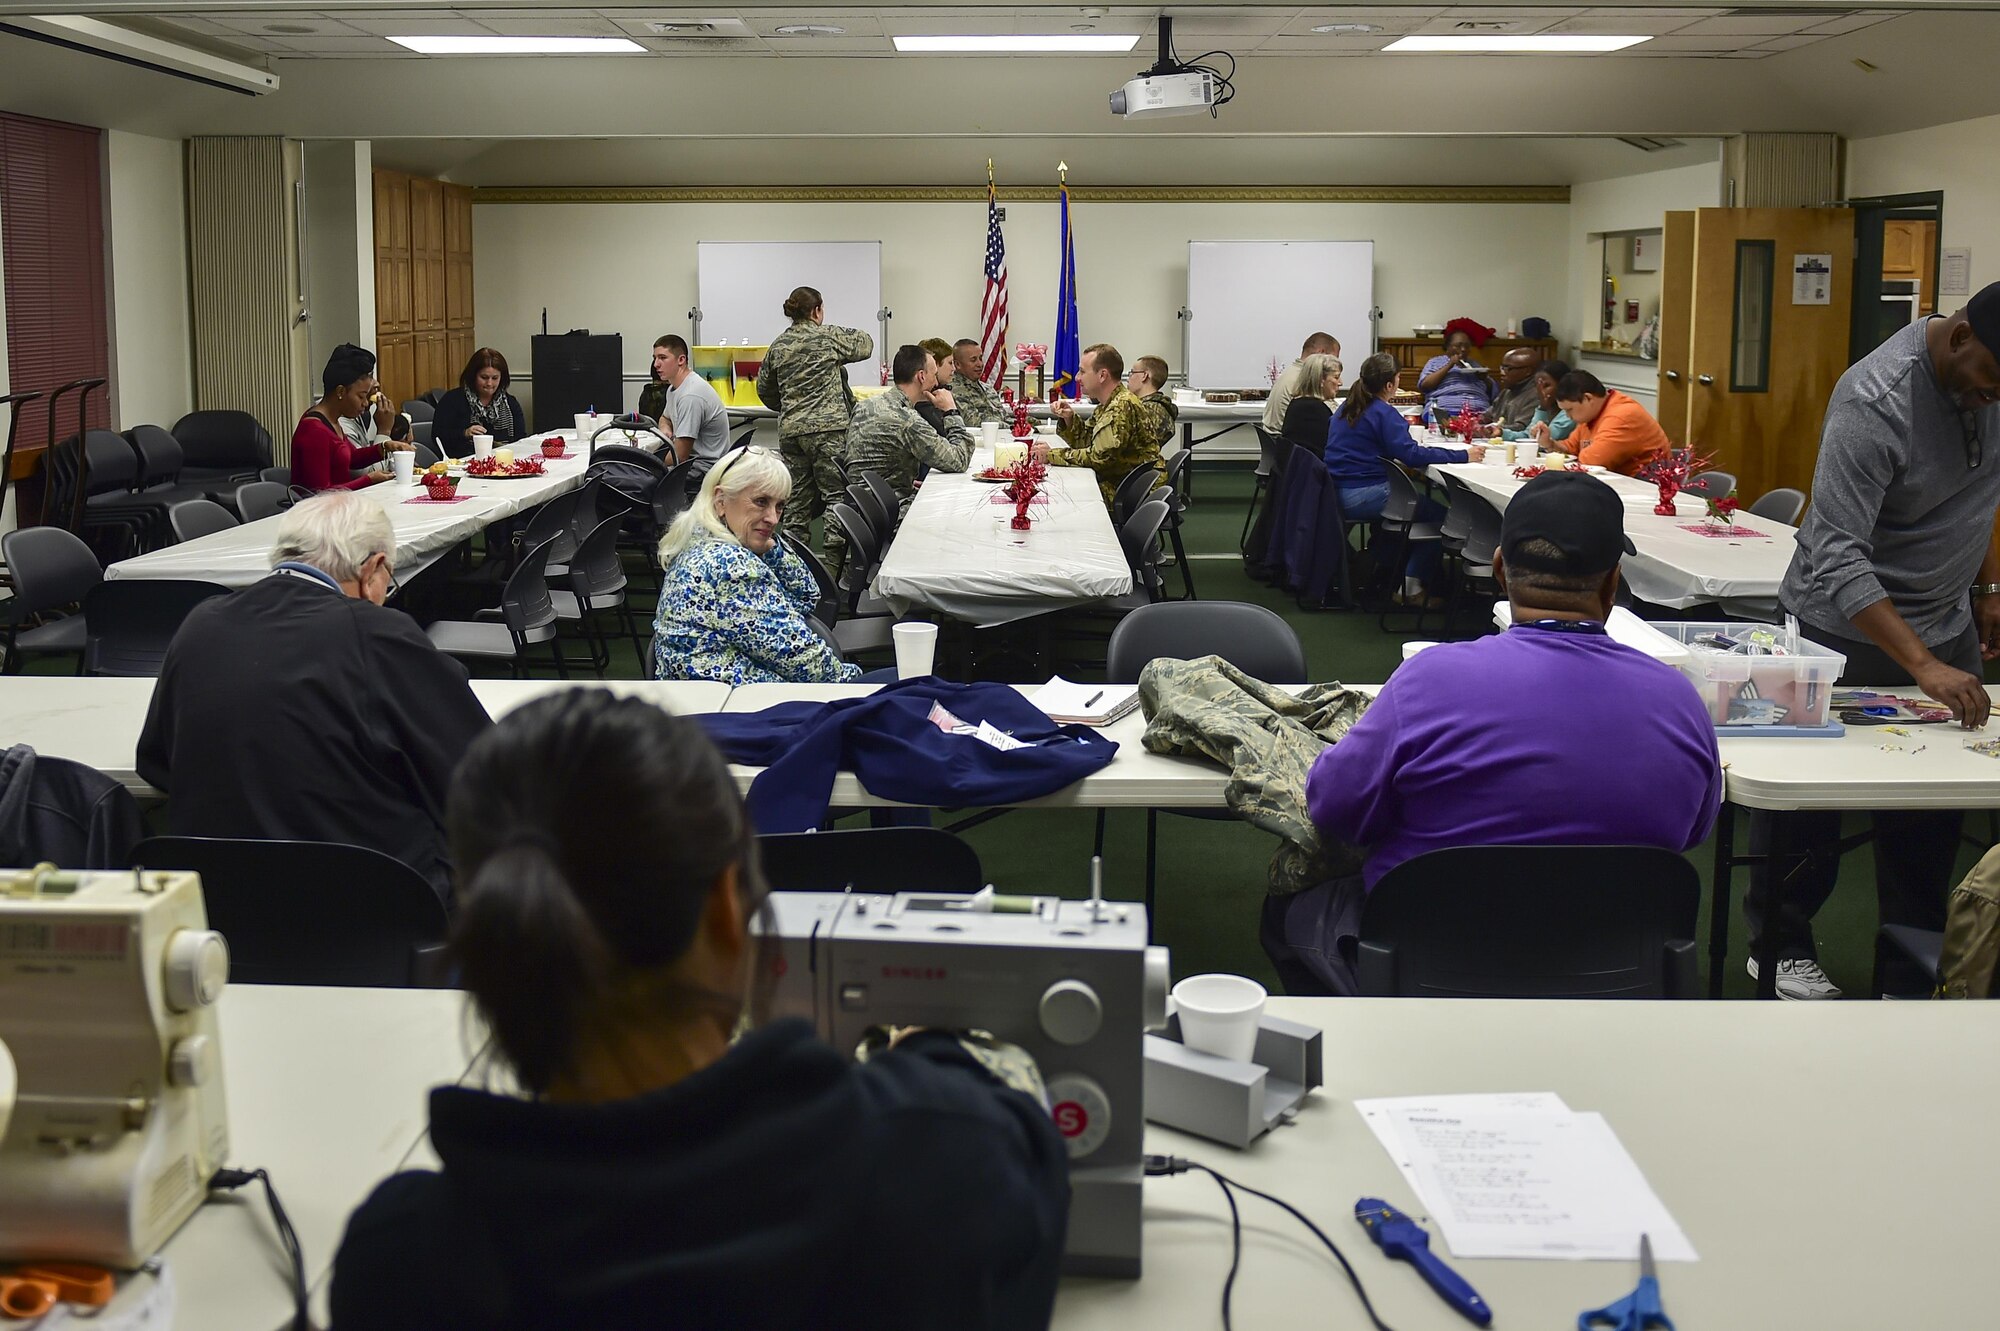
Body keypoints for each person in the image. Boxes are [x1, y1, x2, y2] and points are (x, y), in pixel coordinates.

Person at [330, 690, 1069, 1330]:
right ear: (726, 908)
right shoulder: (945, 1166)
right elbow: (1025, 1159)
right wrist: (933, 1056)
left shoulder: (402, 1266)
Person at [1293, 472, 1721, 988]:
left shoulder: (1428, 681)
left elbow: (1332, 807)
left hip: (1435, 969)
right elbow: (1693, 831)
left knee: (1294, 912)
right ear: (1614, 583)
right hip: (1612, 977)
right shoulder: (1680, 701)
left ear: (1499, 570)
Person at [1745, 283, 2000, 1000]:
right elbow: (1836, 552)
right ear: (1958, 340)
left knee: (1929, 812)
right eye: (1990, 385)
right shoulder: (1876, 398)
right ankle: (1779, 946)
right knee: (1809, 810)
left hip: (1943, 624)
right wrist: (1920, 663)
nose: (1993, 401)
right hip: (1837, 626)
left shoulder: (1987, 385)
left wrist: (1986, 590)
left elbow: (1983, 493)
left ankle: (1907, 963)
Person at [134, 491, 490, 901]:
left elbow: (156, 763)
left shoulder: (200, 622)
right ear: (373, 568)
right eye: (387, 582)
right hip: (372, 911)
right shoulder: (377, 633)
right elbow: (476, 771)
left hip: (220, 907)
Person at [651, 444, 858, 685]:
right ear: (721, 501)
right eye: (761, 501)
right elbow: (815, 668)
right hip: (745, 710)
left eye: (779, 506)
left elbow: (807, 597)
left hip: (712, 705)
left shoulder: (697, 538)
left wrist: (769, 547)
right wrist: (859, 683)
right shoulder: (730, 567)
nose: (773, 518)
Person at [1323, 352, 1482, 603]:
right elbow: (1410, 455)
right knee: (1446, 519)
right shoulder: (1383, 413)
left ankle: (1387, 569)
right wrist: (1464, 455)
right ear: (1390, 385)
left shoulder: (1348, 405)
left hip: (1337, 490)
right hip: (1365, 494)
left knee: (1414, 511)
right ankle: (1411, 588)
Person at [756, 287, 874, 554]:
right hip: (828, 431)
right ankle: (833, 564)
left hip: (791, 433)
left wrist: (790, 407)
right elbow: (866, 344)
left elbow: (764, 389)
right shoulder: (827, 337)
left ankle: (790, 564)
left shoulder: (778, 346)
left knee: (796, 499)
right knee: (835, 495)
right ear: (816, 310)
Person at [846, 344, 973, 529]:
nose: (936, 383)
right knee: (958, 512)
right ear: (921, 376)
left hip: (866, 510)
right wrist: (950, 411)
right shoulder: (907, 420)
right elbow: (959, 460)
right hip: (891, 513)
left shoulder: (866, 405)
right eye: (933, 374)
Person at [1034, 343, 1158, 507]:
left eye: (1083, 372)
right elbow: (1090, 442)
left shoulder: (1120, 407)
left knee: (1062, 496)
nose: (1077, 377)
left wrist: (1051, 455)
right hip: (1122, 482)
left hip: (1128, 491)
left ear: (1102, 375)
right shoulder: (1109, 403)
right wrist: (1070, 419)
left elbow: (1098, 458)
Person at [292, 344, 412, 492]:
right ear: (341, 391)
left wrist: (384, 447)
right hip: (322, 512)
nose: (365, 403)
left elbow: (352, 458)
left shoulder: (331, 420)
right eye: (361, 396)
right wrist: (368, 480)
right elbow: (321, 493)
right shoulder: (314, 431)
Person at [1551, 370, 1670, 476]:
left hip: (1648, 486)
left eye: (1569, 410)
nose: (1568, 416)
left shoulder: (1621, 416)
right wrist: (1551, 444)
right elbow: (1571, 449)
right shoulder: (1592, 414)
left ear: (1588, 398)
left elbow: (1592, 462)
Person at [648, 335, 733, 478]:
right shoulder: (674, 388)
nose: (656, 364)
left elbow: (680, 456)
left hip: (704, 470)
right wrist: (665, 428)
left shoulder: (691, 396)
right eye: (655, 358)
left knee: (643, 476)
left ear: (681, 360)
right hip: (693, 463)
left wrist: (648, 462)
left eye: (662, 358)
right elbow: (665, 417)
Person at [432, 348, 529, 459]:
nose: (489, 383)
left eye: (495, 378)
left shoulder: (511, 403)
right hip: (461, 462)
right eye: (484, 377)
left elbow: (520, 439)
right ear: (473, 376)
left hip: (503, 461)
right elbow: (437, 436)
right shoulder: (452, 400)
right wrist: (464, 433)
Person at [1262, 332, 1340, 435]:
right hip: (1293, 446)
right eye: (1333, 358)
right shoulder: (1306, 379)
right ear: (1321, 353)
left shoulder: (1290, 373)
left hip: (1278, 443)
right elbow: (1332, 418)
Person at [1417, 329, 1495, 422]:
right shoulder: (1435, 362)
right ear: (1447, 347)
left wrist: (1484, 378)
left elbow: (1493, 392)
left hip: (1478, 411)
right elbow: (1425, 385)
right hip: (1445, 410)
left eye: (1467, 346)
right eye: (1458, 346)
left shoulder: (1475, 364)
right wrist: (1450, 365)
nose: (1463, 349)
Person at [1279, 352, 1343, 456]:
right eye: (1336, 377)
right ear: (1321, 380)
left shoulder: (1298, 404)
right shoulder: (1315, 410)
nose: (1340, 383)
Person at [1501, 359, 1577, 445]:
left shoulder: (1569, 412)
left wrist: (1543, 408)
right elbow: (1527, 436)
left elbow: (1540, 441)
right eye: (1537, 385)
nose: (1540, 391)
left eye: (1546, 385)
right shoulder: (1545, 407)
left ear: (1562, 386)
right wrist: (1501, 433)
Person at [949, 338, 1009, 426]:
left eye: (980, 358)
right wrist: (1012, 428)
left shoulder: (988, 388)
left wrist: (1026, 425)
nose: (980, 364)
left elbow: (1005, 417)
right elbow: (974, 423)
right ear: (958, 364)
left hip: (1003, 435)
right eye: (973, 360)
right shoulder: (954, 390)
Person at [1483, 347, 1542, 434]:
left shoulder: (1536, 394)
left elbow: (1521, 428)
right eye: (1502, 367)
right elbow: (1488, 415)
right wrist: (1474, 420)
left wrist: (1488, 429)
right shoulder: (1507, 391)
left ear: (1527, 371)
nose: (1502, 373)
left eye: (1508, 368)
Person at [1127, 355, 1180, 450]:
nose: (1128, 378)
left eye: (1132, 372)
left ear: (1144, 376)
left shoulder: (1151, 411)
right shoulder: (1154, 407)